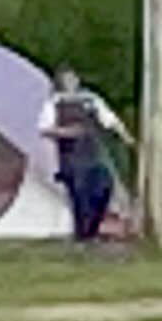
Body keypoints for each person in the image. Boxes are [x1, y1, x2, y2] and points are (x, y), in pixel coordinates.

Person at [45, 67, 127, 244]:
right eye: (66, 79)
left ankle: (92, 230)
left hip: (92, 153)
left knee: (104, 185)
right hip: (71, 157)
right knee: (81, 196)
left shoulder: (90, 99)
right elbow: (45, 129)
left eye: (72, 78)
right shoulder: (55, 103)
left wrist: (124, 134)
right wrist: (67, 132)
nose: (71, 82)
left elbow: (109, 119)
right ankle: (84, 236)